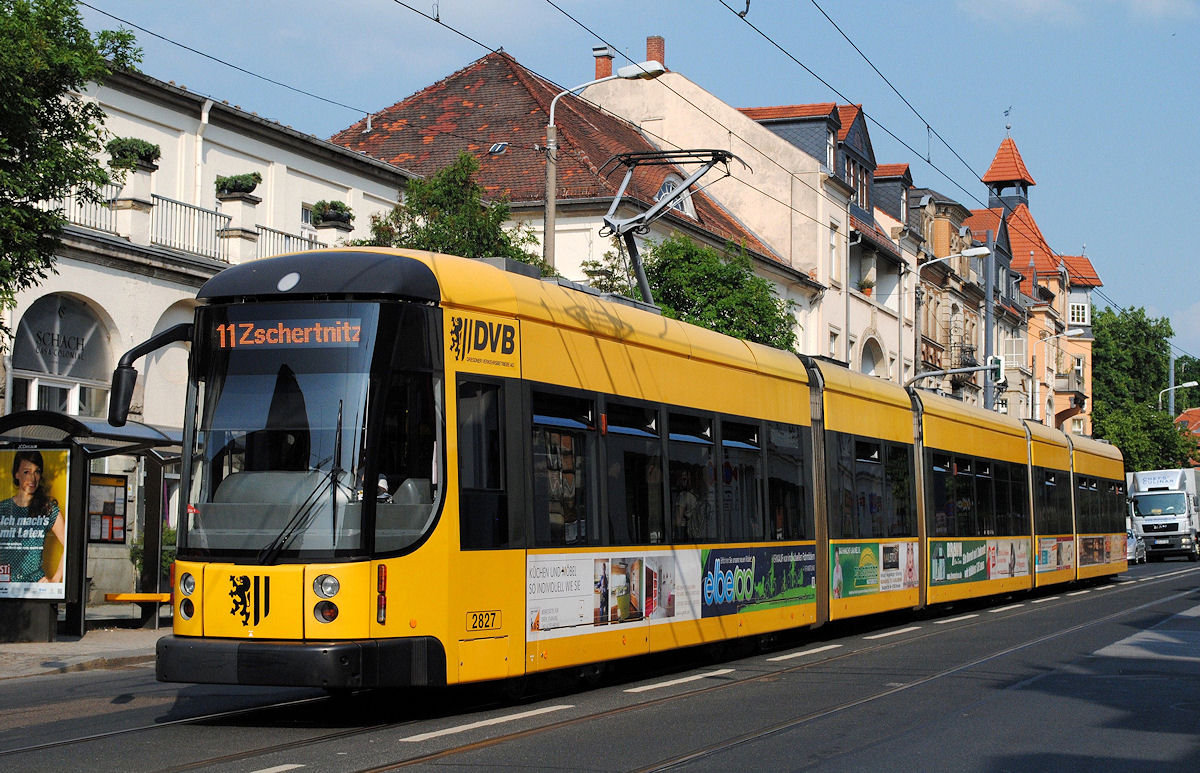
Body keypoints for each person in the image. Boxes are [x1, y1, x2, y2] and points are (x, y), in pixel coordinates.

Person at [0, 450, 65, 584]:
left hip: (35, 587)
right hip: (5, 587)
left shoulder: (48, 509)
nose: (32, 478)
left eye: (37, 471)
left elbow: (71, 546)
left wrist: (55, 579)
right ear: (16, 474)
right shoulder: (3, 508)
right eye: (26, 472)